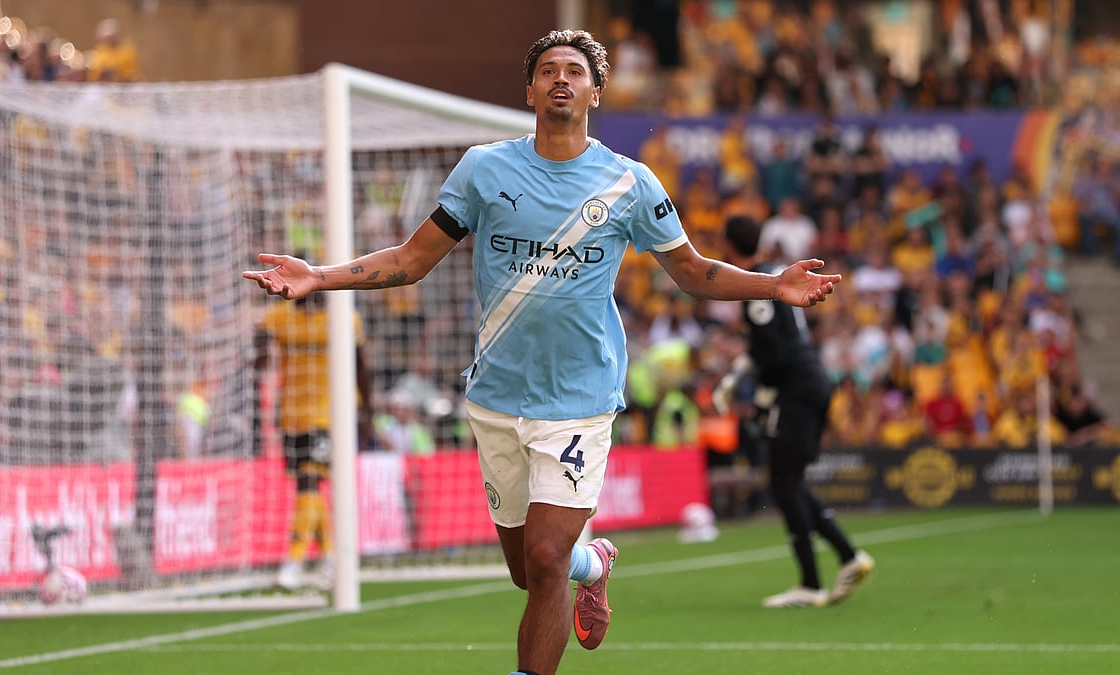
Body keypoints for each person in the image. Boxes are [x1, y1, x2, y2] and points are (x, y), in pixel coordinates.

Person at [244, 29, 840, 675]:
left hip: (580, 398)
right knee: (529, 571)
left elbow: (692, 272)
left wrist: (774, 285)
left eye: (575, 71)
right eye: (549, 70)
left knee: (547, 556)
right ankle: (595, 563)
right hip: (497, 396)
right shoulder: (484, 169)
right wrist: (319, 276)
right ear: (529, 91)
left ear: (595, 92)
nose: (561, 78)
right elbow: (412, 260)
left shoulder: (630, 183)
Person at [720, 213, 871, 609]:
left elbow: (773, 352)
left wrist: (758, 390)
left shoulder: (757, 285)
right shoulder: (775, 271)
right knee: (790, 481)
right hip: (811, 381)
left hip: (796, 389)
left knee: (784, 484)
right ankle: (847, 556)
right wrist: (743, 372)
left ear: (728, 246)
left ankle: (812, 582)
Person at [255, 288, 374, 590]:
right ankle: (329, 556)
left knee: (309, 479)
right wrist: (261, 342)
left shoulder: (344, 318)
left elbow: (361, 366)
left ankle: (294, 560)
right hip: (292, 414)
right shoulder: (278, 318)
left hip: (332, 415)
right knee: (308, 484)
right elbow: (259, 360)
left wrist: (367, 411)